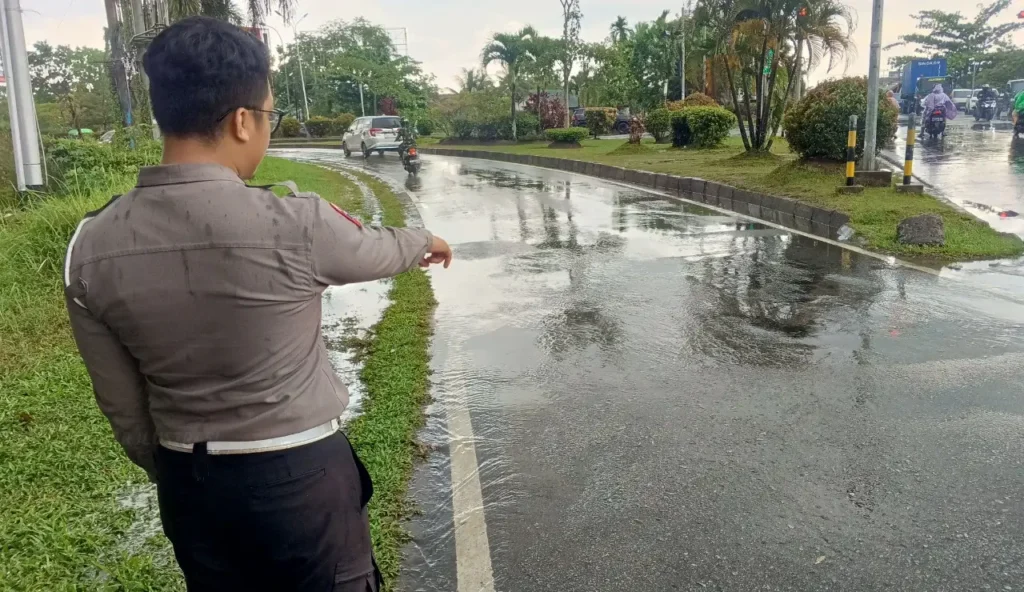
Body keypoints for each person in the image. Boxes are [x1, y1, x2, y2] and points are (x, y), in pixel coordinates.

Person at [62, 17, 452, 591]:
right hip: (300, 477)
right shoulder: (295, 221)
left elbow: (122, 405)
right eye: (271, 115)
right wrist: (425, 241)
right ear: (242, 121)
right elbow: (375, 250)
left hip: (190, 485)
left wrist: (175, 470)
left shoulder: (89, 245)